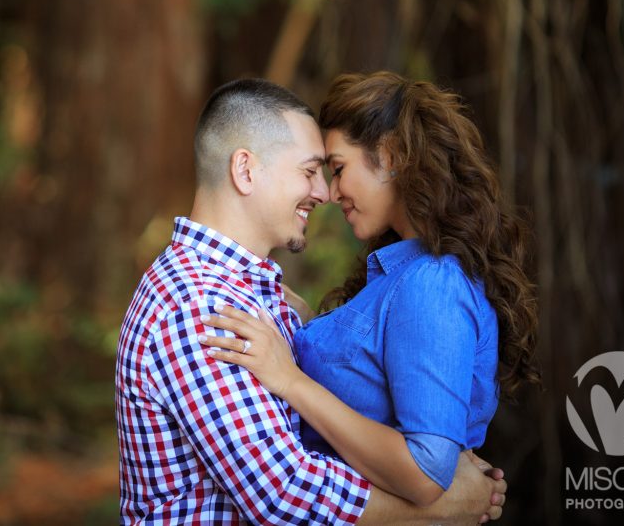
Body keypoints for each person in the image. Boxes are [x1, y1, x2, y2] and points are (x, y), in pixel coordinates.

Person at [115, 78, 507, 524]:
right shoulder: (198, 305)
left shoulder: (246, 295)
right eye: (310, 171)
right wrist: (449, 507)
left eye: (332, 170)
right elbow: (283, 493)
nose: (323, 193)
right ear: (245, 171)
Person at [200, 72, 538, 508]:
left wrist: (291, 381)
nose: (330, 191)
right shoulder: (403, 274)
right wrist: (302, 321)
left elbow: (424, 473)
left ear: (391, 154)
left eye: (338, 169)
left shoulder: (431, 283)